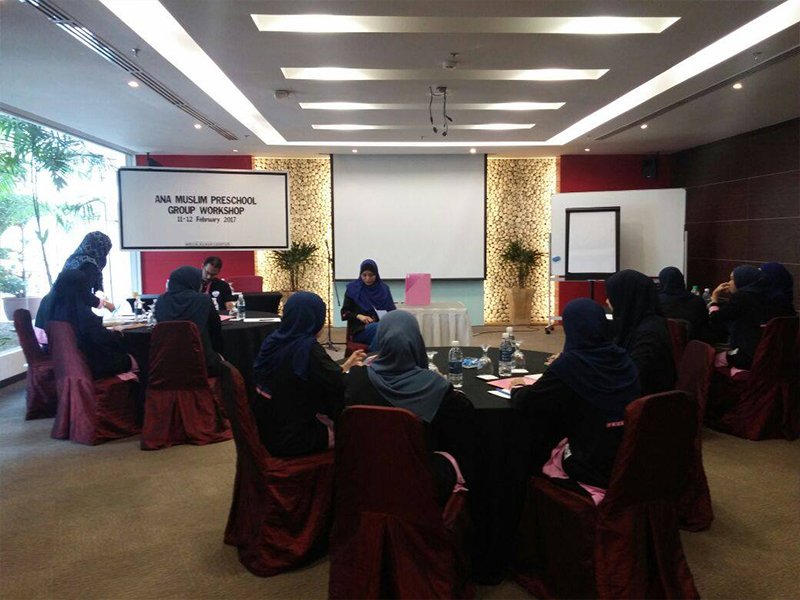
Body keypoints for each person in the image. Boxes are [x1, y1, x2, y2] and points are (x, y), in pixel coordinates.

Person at [345, 310, 476, 504]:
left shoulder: (356, 379)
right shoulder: (436, 388)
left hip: (365, 476)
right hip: (421, 480)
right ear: (417, 341)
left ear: (380, 340)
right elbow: (465, 420)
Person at [511, 298, 640, 490]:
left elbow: (527, 402)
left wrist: (517, 387)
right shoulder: (622, 358)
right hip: (629, 457)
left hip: (590, 463)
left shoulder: (570, 366)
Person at [252, 292, 365, 457]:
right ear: (314, 319)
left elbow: (325, 374)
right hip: (291, 437)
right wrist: (354, 370)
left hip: (265, 427)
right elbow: (338, 383)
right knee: (354, 433)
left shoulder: (273, 339)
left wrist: (346, 364)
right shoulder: (307, 348)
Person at [48, 269, 133, 379]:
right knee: (135, 356)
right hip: (92, 367)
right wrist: (116, 334)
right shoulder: (83, 314)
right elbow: (101, 339)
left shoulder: (53, 313)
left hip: (65, 368)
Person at [605, 269, 676, 394]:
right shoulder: (637, 321)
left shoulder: (650, 334)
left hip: (643, 399)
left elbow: (633, 377)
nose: (607, 301)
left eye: (612, 296)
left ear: (626, 298)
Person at [35, 231, 115, 330]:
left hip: (50, 312)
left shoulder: (74, 259)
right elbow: (83, 294)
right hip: (67, 318)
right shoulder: (89, 266)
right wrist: (106, 305)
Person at [154, 266, 224, 375]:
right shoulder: (203, 300)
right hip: (201, 362)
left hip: (166, 362)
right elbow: (216, 330)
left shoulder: (161, 301)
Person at [708, 265, 771, 370]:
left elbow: (715, 317)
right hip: (765, 354)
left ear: (743, 280)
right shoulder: (766, 296)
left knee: (713, 359)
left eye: (732, 279)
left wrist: (714, 298)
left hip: (745, 354)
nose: (729, 283)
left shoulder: (741, 297)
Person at [341, 259, 396, 348]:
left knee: (390, 332)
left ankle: (375, 354)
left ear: (376, 275)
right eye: (364, 275)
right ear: (360, 274)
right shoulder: (353, 289)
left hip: (381, 326)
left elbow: (392, 312)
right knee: (380, 331)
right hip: (360, 329)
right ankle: (377, 354)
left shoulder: (384, 289)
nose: (367, 278)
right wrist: (359, 316)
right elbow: (344, 313)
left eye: (371, 275)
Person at [657, 266, 708, 339]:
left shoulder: (656, 301)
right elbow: (705, 323)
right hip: (692, 343)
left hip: (663, 342)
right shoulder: (698, 301)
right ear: (682, 280)